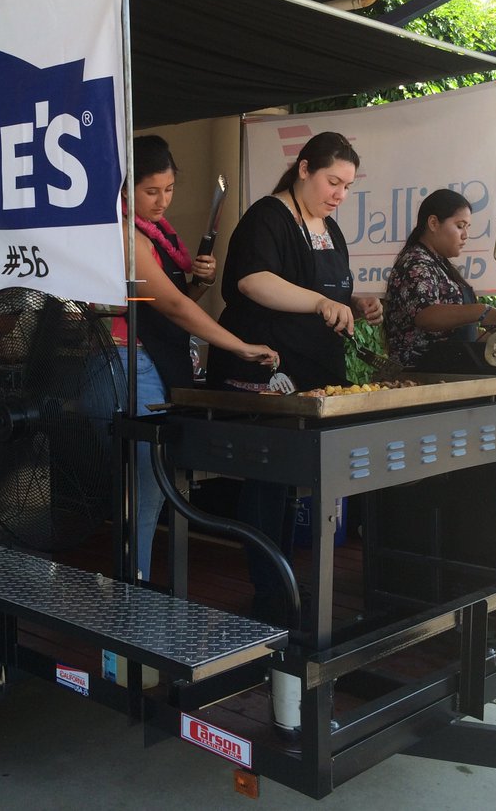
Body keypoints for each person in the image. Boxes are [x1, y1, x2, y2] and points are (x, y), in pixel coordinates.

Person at [206, 131, 382, 623]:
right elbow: (253, 280)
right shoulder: (267, 217)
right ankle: (268, 591)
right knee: (268, 480)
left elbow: (326, 294)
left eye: (347, 186)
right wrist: (323, 301)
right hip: (265, 370)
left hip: (312, 375)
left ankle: (282, 581)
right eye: (332, 181)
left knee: (288, 483)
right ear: (304, 168)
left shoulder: (330, 229)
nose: (339, 194)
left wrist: (352, 305)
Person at [113, 134, 278, 581]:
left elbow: (179, 301)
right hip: (132, 363)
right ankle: (135, 590)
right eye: (151, 191)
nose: (162, 201)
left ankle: (136, 583)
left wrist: (201, 283)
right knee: (144, 491)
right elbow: (173, 308)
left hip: (156, 360)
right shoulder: (126, 237)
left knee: (150, 490)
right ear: (125, 190)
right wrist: (238, 344)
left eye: (168, 190)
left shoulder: (158, 236)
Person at [384, 188, 496, 367]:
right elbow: (426, 316)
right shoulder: (415, 262)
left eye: (467, 227)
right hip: (419, 375)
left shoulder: (439, 263)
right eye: (459, 226)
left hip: (448, 369)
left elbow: (456, 333)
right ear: (434, 223)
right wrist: (482, 311)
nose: (465, 235)